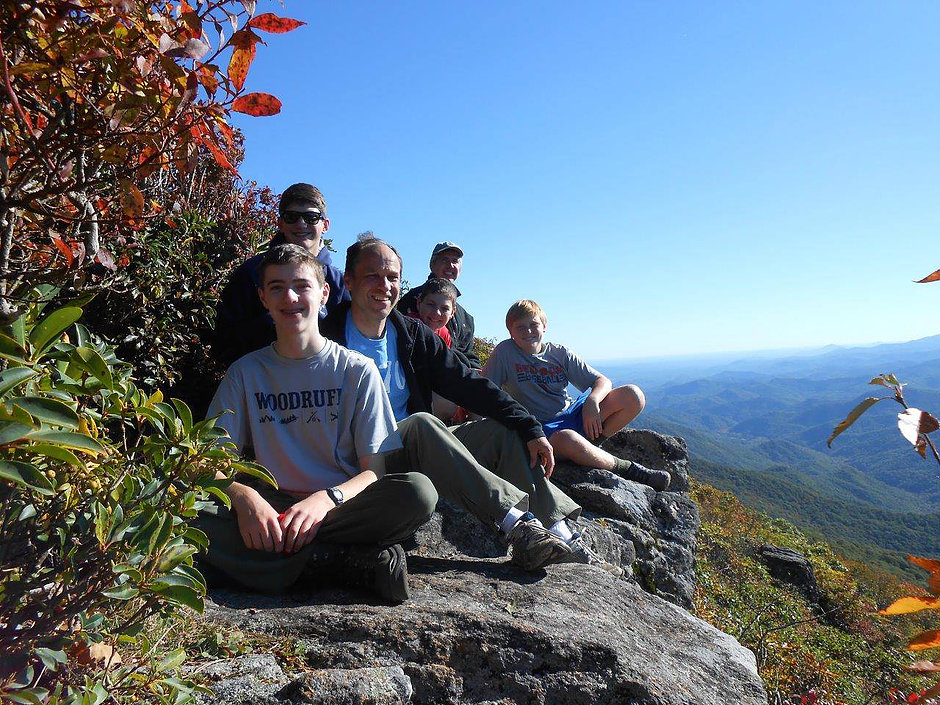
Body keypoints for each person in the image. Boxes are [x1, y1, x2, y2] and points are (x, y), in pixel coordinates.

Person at [323, 236, 622, 574]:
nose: (385, 286)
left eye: (392, 277)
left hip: (415, 448)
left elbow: (469, 383)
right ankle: (518, 526)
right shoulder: (326, 336)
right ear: (348, 281)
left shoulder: (409, 334)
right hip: (365, 459)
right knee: (424, 424)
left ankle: (561, 535)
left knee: (500, 431)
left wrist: (528, 426)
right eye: (372, 276)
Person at [197, 244, 438, 603]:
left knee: (418, 492)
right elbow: (207, 462)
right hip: (273, 506)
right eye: (276, 287)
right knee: (184, 516)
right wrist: (245, 497)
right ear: (263, 298)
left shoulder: (357, 369)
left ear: (324, 293)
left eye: (301, 285)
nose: (290, 297)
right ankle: (338, 561)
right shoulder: (245, 373)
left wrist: (324, 501)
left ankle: (279, 562)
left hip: (339, 506)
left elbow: (374, 470)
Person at [483, 299, 671, 491]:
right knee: (568, 439)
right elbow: (484, 390)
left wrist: (592, 401)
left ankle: (591, 448)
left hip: (573, 413)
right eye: (520, 327)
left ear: (544, 326)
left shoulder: (559, 353)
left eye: (534, 325)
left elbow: (602, 381)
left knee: (633, 396)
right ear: (510, 332)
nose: (528, 331)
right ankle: (628, 469)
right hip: (541, 428)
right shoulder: (505, 352)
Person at [212, 183, 350, 367]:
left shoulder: (339, 283)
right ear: (280, 223)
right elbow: (224, 339)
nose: (301, 224)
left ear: (325, 225)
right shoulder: (252, 272)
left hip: (325, 384)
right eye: (291, 217)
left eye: (311, 217)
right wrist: (278, 322)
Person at [397, 241, 480, 369]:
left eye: (455, 261)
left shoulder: (466, 319)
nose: (450, 265)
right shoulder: (411, 299)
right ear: (432, 264)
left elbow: (470, 356)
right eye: (444, 260)